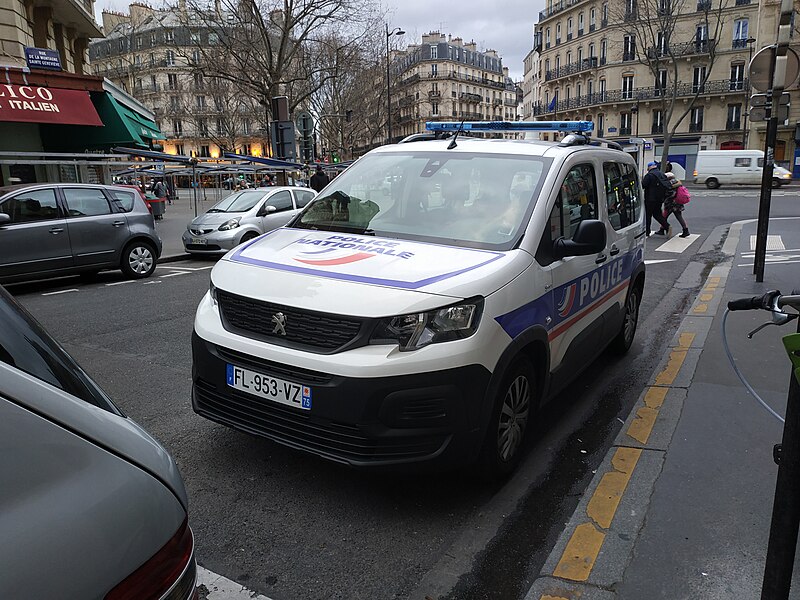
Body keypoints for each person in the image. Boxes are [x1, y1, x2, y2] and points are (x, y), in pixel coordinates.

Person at [641, 161, 671, 236]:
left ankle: (647, 231)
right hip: (660, 198)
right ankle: (667, 226)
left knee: (648, 215)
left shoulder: (649, 175)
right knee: (657, 214)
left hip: (650, 199)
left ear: (650, 167)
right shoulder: (662, 174)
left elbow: (643, 185)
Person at [663, 172, 691, 238]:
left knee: (664, 216)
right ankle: (685, 230)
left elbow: (669, 194)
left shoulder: (669, 184)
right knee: (679, 216)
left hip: (671, 203)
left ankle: (663, 229)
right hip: (678, 203)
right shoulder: (677, 182)